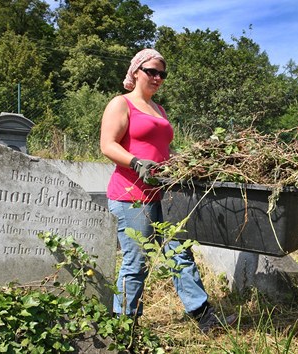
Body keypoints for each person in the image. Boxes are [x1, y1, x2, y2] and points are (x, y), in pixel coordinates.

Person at [100, 48, 236, 333]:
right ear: (136, 71)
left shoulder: (159, 110)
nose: (158, 77)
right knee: (136, 260)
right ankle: (123, 325)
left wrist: (185, 164)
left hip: (166, 194)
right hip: (131, 195)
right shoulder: (121, 104)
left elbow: (164, 149)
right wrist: (137, 162)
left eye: (162, 73)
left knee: (179, 252)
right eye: (152, 71)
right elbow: (108, 145)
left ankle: (204, 316)